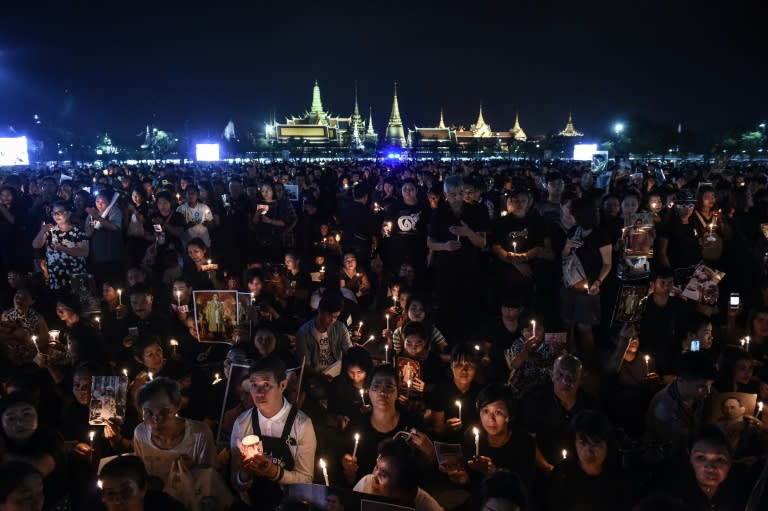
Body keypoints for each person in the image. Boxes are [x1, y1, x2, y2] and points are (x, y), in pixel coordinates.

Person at [230, 356, 316, 508]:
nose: (259, 392)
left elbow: (306, 480)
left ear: (282, 385)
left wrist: (274, 472)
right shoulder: (242, 423)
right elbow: (236, 482)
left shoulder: (302, 425)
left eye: (266, 385)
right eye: (254, 385)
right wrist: (244, 475)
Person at [129, 377, 216, 492]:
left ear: (177, 405)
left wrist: (194, 469)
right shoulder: (141, 434)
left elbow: (211, 481)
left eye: (164, 411)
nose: (156, 420)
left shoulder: (200, 434)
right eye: (148, 413)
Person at [547, 410, 628, 511]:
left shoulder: (618, 477)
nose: (588, 452)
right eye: (582, 443)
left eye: (596, 444)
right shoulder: (562, 474)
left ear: (607, 445)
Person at [646, 351, 717, 458]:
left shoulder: (699, 393)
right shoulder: (664, 407)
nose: (708, 391)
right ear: (680, 380)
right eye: (701, 387)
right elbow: (676, 450)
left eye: (710, 385)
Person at [353, 438, 444, 511]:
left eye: (383, 475)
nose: (374, 477)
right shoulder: (365, 484)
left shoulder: (428, 507)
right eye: (376, 467)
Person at [31, 200, 89, 293]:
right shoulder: (50, 230)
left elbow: (84, 252)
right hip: (56, 275)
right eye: (54, 213)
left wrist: (63, 249)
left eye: (60, 212)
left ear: (69, 213)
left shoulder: (78, 231)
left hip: (75, 275)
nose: (56, 215)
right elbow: (36, 245)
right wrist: (42, 231)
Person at [295, 291, 351, 374]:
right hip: (316, 376)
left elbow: (349, 352)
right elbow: (306, 366)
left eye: (335, 317)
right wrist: (321, 377)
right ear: (320, 311)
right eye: (329, 316)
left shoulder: (340, 327)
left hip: (337, 371)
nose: (332, 320)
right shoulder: (304, 333)